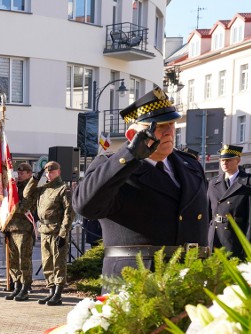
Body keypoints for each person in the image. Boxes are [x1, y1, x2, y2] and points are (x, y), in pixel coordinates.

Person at [74, 87, 209, 288]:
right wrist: (129, 157)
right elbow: (85, 206)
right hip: (138, 279)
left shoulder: (190, 165)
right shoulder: (113, 165)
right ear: (132, 134)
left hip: (189, 277)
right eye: (158, 126)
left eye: (171, 124)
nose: (169, 131)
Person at [22, 161, 73, 306]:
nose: (49, 175)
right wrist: (35, 178)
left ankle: (58, 293)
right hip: (44, 230)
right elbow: (27, 193)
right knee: (47, 263)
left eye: (51, 172)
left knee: (58, 263)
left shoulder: (64, 189)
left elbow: (69, 214)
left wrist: (63, 234)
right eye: (46, 172)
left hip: (57, 231)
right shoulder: (44, 188)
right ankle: (51, 291)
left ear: (58, 172)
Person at [207, 144, 251, 260]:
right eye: (222, 160)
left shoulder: (250, 182)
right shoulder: (213, 183)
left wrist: (248, 247)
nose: (224, 163)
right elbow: (207, 215)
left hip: (235, 240)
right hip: (214, 239)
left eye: (228, 160)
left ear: (238, 160)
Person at [3, 163, 37, 301]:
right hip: (12, 228)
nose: (20, 175)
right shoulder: (14, 187)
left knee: (24, 260)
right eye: (19, 173)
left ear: (30, 174)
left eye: (23, 173)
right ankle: (16, 285)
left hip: (24, 229)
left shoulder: (31, 188)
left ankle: (25, 287)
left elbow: (23, 207)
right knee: (13, 260)